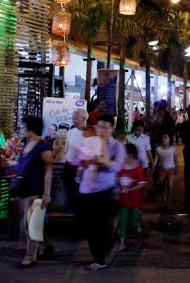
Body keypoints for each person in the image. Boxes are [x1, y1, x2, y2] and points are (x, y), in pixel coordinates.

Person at [73, 113, 125, 271]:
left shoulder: (116, 146)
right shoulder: (90, 141)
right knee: (89, 225)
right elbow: (76, 159)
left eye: (105, 127)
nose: (101, 130)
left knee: (100, 224)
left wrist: (104, 161)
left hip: (105, 189)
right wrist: (84, 161)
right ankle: (104, 250)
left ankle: (100, 258)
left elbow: (117, 166)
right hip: (86, 189)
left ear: (112, 129)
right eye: (99, 126)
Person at [13, 115, 53, 269]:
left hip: (35, 191)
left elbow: (48, 171)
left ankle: (30, 256)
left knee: (29, 224)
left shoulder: (44, 146)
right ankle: (45, 245)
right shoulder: (27, 145)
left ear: (30, 128)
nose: (22, 130)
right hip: (24, 190)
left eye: (23, 127)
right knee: (30, 223)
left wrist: (47, 193)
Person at [113, 143, 146, 255]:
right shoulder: (120, 167)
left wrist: (130, 190)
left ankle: (140, 238)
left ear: (130, 155)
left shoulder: (137, 168)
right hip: (123, 201)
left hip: (134, 202)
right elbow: (117, 180)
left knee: (134, 222)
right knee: (122, 221)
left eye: (124, 154)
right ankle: (121, 243)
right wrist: (117, 191)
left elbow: (141, 184)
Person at [63, 107, 89, 221]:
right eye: (72, 118)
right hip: (69, 168)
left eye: (75, 119)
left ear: (83, 119)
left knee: (80, 197)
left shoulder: (90, 133)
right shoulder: (71, 131)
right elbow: (66, 149)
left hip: (82, 170)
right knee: (70, 195)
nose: (73, 121)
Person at [153, 132, 178, 211]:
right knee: (163, 186)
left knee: (170, 186)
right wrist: (153, 168)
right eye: (162, 137)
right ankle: (164, 201)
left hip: (171, 169)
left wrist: (177, 169)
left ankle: (169, 202)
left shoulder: (173, 149)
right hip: (162, 170)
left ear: (170, 140)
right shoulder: (158, 149)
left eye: (166, 137)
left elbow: (176, 160)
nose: (163, 139)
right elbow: (156, 159)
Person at [74, 123, 102, 190]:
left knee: (85, 168)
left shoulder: (89, 136)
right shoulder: (94, 136)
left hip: (89, 156)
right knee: (89, 168)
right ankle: (89, 181)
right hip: (89, 156)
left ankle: (88, 180)